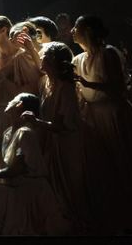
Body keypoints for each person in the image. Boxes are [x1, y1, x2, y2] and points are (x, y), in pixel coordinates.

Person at [72, 15, 132, 233]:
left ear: (87, 30)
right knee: (104, 166)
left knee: (126, 160)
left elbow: (116, 87)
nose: (72, 31)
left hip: (114, 113)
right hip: (93, 116)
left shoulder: (108, 54)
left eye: (76, 27)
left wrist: (87, 83)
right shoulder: (78, 59)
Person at [0, 93, 71, 235]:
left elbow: (18, 168)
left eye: (12, 100)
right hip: (16, 188)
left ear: (19, 105)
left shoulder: (25, 133)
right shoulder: (8, 132)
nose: (8, 102)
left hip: (31, 193)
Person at [23, 42, 92, 234]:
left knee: (70, 187)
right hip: (52, 141)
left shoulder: (66, 88)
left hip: (67, 143)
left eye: (43, 54)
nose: (40, 57)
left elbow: (64, 125)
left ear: (52, 60)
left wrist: (35, 121)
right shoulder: (45, 82)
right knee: (55, 188)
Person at [0, 16, 42, 142]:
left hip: (21, 113)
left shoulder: (23, 56)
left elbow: (31, 89)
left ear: (4, 30)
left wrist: (1, 78)